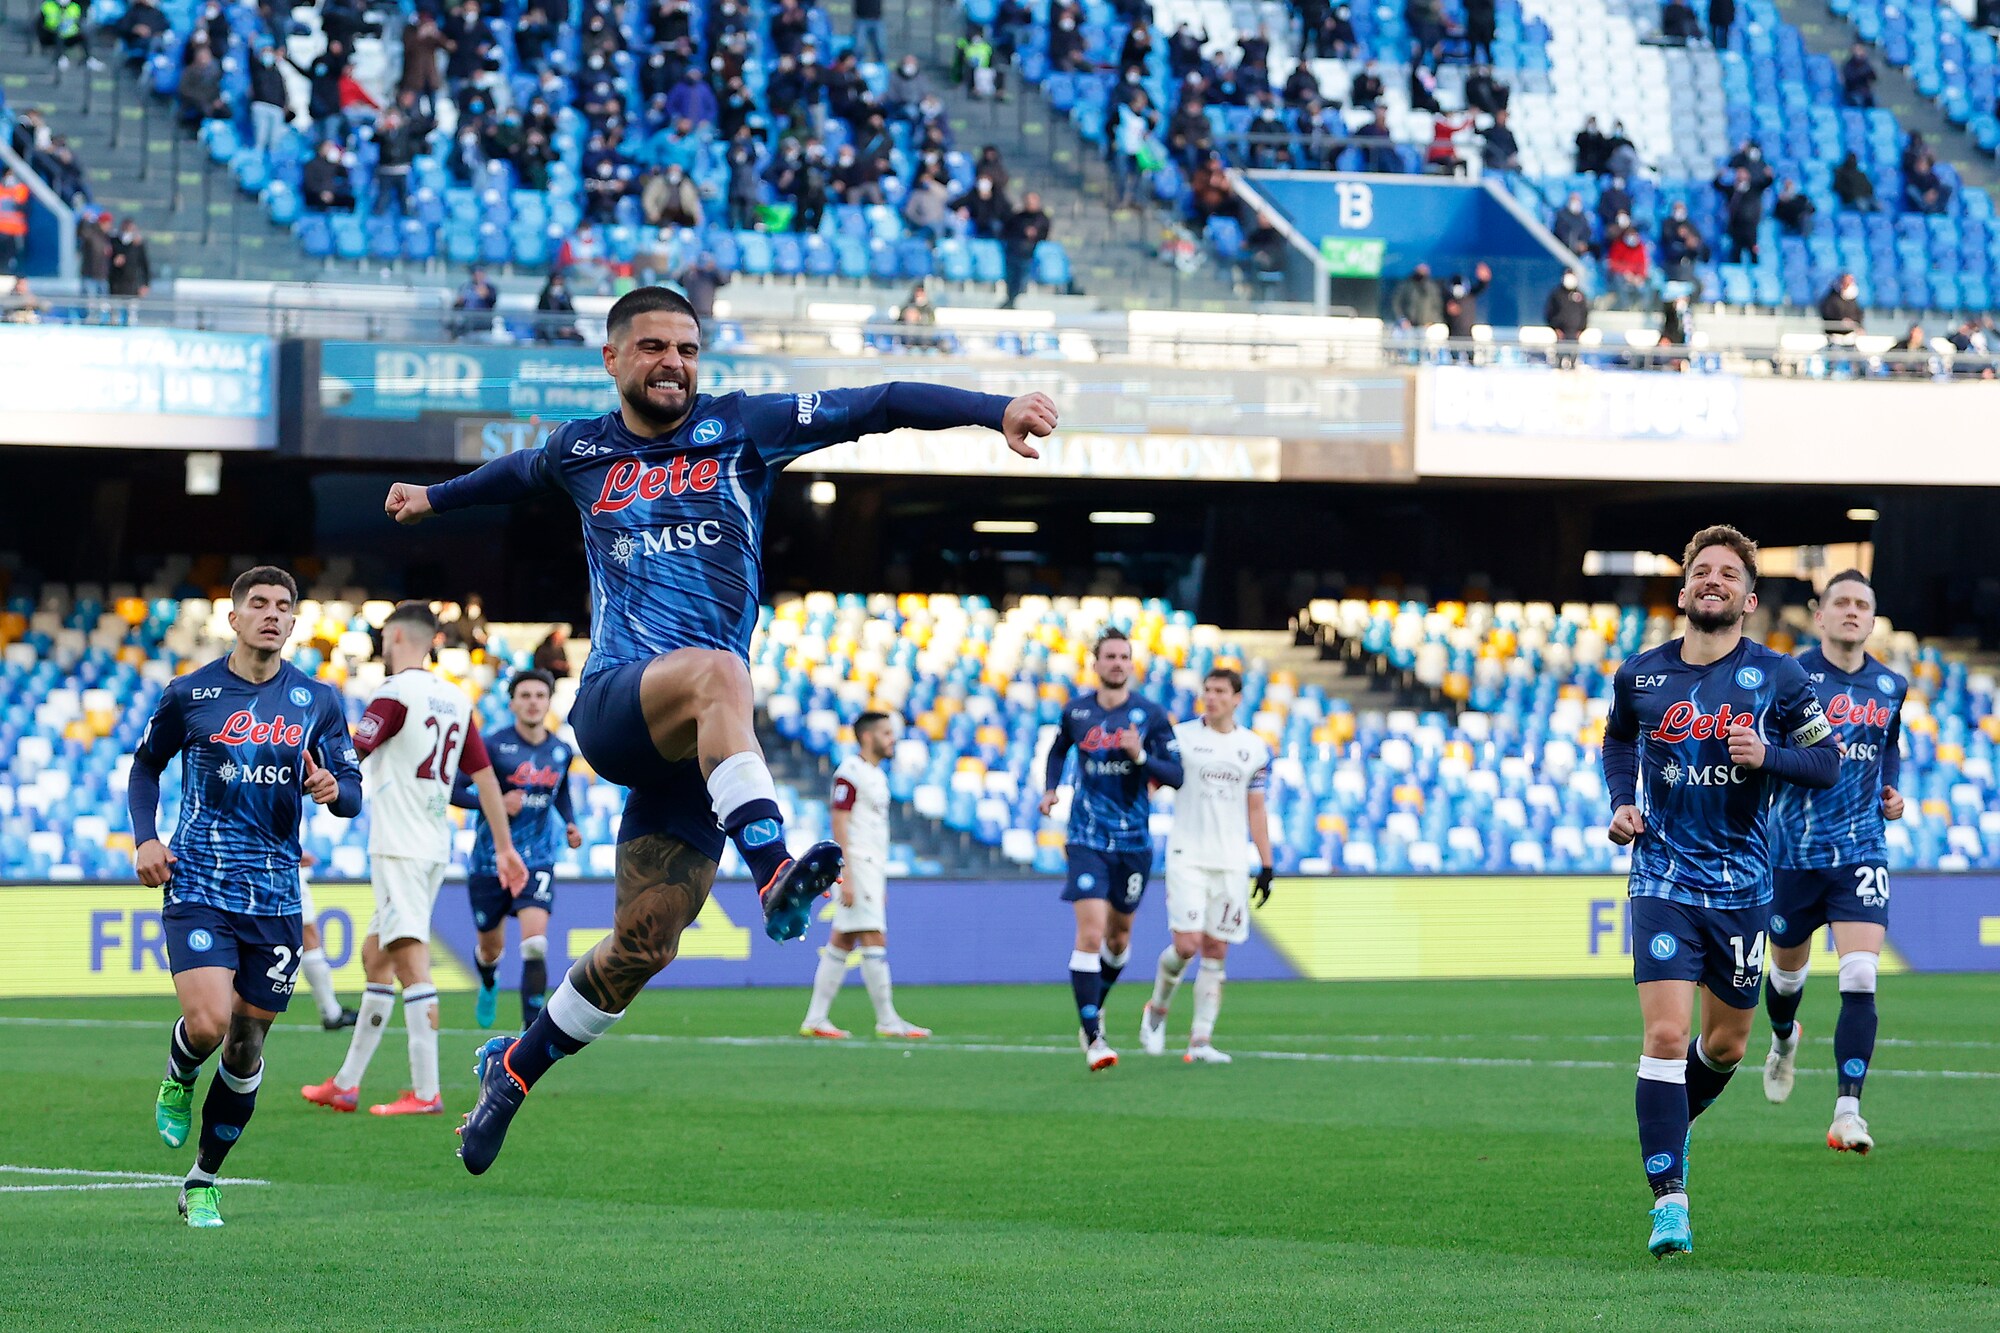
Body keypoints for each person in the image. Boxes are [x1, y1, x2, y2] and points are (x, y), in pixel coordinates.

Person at [385, 287, 1058, 1173]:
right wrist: (432, 499)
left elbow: (883, 401)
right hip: (618, 704)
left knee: (645, 942)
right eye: (654, 346)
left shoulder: (745, 427)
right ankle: (771, 864)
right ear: (613, 358)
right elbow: (512, 474)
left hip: (698, 743)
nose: (674, 363)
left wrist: (993, 409)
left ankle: (514, 1068)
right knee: (722, 670)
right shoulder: (582, 448)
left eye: (689, 349)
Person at [1602, 525, 1839, 1257]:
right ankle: (1669, 1200)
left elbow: (1827, 762)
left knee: (1726, 1044)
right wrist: (1621, 801)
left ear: (1750, 599)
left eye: (1729, 574)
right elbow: (1618, 739)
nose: (1714, 580)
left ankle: (1673, 1129)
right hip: (1663, 876)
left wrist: (1768, 755)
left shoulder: (1781, 676)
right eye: (1702, 570)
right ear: (1682, 592)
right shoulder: (1639, 676)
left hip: (1742, 886)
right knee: (1665, 1036)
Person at [130, 566, 364, 1228]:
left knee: (245, 1045)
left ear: (294, 622)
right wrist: (145, 839)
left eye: (283, 605)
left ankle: (203, 1179)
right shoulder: (191, 693)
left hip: (277, 895)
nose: (271, 614)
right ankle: (180, 1073)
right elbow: (146, 765)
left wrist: (334, 791)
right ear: (233, 619)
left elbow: (350, 790)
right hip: (200, 881)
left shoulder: (318, 700)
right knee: (209, 1024)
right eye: (258, 603)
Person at [303, 602, 524, 1117]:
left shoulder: (394, 693)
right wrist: (505, 846)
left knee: (408, 960)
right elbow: (485, 779)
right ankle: (346, 1084)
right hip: (431, 844)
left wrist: (319, 771)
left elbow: (353, 752)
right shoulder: (456, 699)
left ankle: (426, 1092)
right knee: (376, 956)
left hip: (398, 844)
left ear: (397, 636)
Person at [1761, 571, 1906, 1154]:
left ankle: (1848, 1113)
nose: (1851, 611)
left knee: (1861, 975)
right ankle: (1783, 1038)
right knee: (1785, 978)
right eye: (1840, 602)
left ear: (1872, 618)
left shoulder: (1891, 685)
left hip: (1861, 850)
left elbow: (1889, 746)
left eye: (1861, 604)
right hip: (1793, 853)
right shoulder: (1789, 678)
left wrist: (1890, 790)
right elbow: (1764, 753)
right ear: (1819, 615)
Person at [1038, 630, 1184, 1071]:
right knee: (1090, 933)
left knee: (1118, 941)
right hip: (1086, 838)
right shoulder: (1077, 711)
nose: (1117, 663)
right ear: (1096, 663)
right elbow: (1058, 751)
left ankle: (1094, 1004)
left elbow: (1176, 775)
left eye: (1124, 656)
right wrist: (1051, 789)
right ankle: (1093, 1036)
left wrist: (1140, 757)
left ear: (1131, 664)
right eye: (1110, 656)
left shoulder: (1150, 715)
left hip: (1133, 843)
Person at [1139, 668, 1270, 1064]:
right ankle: (1157, 1009)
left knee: (1216, 949)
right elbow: (1154, 784)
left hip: (1230, 861)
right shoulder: (1181, 738)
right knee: (1187, 944)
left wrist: (1266, 864)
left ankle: (1200, 1039)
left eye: (1219, 691)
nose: (1211, 697)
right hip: (1188, 855)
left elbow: (1256, 807)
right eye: (1207, 690)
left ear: (1237, 698)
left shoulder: (1254, 748)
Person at [454, 669, 579, 1030]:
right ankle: (489, 981)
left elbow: (561, 792)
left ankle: (529, 1032)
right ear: (511, 703)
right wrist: (493, 802)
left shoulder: (560, 750)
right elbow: (455, 790)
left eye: (540, 695)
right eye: (525, 696)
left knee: (535, 944)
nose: (533, 702)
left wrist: (570, 823)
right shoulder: (492, 746)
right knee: (490, 950)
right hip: (489, 860)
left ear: (549, 702)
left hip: (538, 857)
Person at [799, 712, 930, 1040]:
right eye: (886, 733)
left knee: (843, 940)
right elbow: (839, 819)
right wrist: (846, 871)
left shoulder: (876, 775)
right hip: (856, 863)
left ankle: (816, 1018)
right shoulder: (850, 772)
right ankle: (887, 1020)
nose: (892, 739)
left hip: (871, 867)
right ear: (868, 737)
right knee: (874, 937)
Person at [1000, 190, 1050, 308]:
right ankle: (1010, 300)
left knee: (1022, 277)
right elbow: (1007, 231)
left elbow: (1043, 234)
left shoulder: (1042, 219)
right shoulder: (1018, 218)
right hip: (1013, 252)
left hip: (1029, 255)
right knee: (1011, 277)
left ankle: (1017, 299)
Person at [1545, 268, 1589, 366]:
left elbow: (1584, 313)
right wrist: (1555, 328)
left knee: (1573, 358)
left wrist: (1581, 330)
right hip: (1560, 333)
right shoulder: (1556, 294)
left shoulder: (1580, 294)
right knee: (1560, 358)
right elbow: (1549, 312)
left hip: (1575, 333)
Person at [1391, 262, 1444, 330]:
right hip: (1408, 326)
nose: (1422, 271)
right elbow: (1396, 303)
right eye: (1420, 269)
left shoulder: (1432, 288)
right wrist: (1402, 320)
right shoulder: (1406, 285)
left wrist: (1433, 321)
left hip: (1426, 326)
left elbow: (1437, 306)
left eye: (1424, 270)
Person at [109, 220, 150, 298]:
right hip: (116, 284)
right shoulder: (114, 242)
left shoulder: (138, 245)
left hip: (133, 285)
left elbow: (144, 265)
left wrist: (145, 284)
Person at [1820, 272, 1864, 340]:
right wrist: (1841, 321)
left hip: (1851, 335)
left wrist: (1857, 325)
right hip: (1835, 335)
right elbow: (1828, 314)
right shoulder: (1832, 299)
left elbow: (1859, 315)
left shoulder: (1853, 300)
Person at [1552, 192, 1593, 257]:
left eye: (1578, 200)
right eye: (1574, 200)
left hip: (1578, 251)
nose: (1576, 203)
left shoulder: (1582, 217)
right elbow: (1560, 233)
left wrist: (1583, 243)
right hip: (1563, 248)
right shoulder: (1561, 214)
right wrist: (1574, 244)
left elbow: (1587, 232)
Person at [1843, 43, 1877, 107]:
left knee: (1871, 101)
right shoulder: (1848, 65)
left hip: (1865, 92)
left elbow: (1874, 78)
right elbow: (1850, 79)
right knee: (1858, 101)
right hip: (1853, 91)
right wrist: (1862, 73)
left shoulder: (1866, 64)